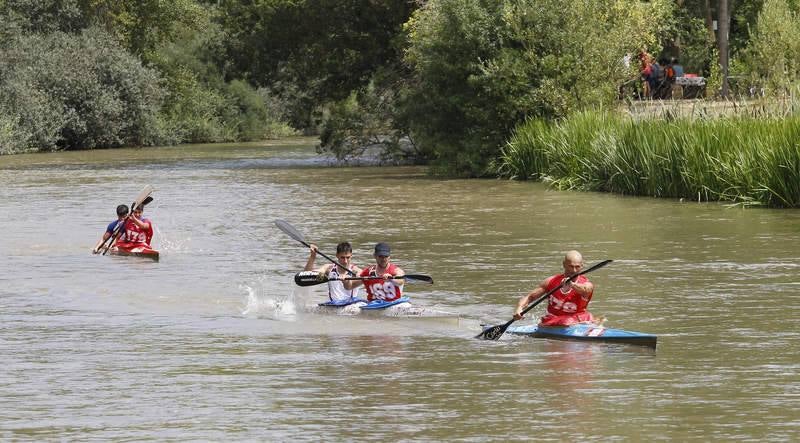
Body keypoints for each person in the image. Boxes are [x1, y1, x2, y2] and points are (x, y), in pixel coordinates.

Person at [513, 251, 595, 327]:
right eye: (571, 266)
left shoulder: (586, 284)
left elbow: (586, 290)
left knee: (588, 317)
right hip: (554, 320)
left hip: (578, 320)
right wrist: (519, 308)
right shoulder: (551, 281)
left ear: (582, 266)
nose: (574, 270)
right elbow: (530, 297)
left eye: (577, 267)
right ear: (564, 265)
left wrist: (572, 284)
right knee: (566, 322)